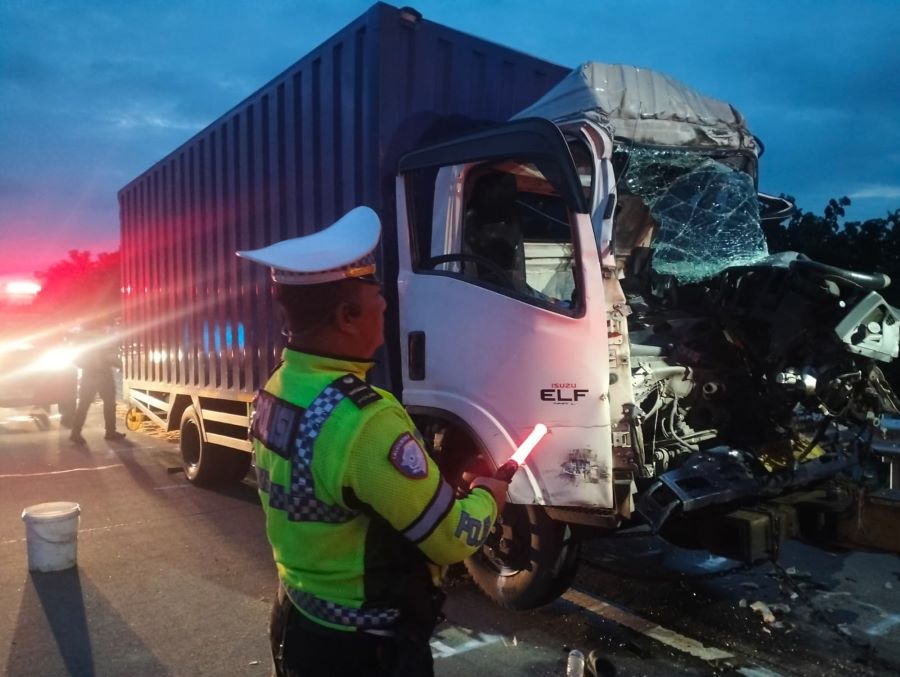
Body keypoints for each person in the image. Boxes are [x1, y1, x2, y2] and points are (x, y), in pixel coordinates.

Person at [237, 206, 510, 677]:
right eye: (377, 294)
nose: (385, 305)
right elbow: (450, 539)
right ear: (347, 316)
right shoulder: (365, 421)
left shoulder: (279, 386)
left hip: (298, 620)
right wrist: (489, 495)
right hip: (365, 652)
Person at [69, 324, 125, 445]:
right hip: (104, 374)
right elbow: (111, 356)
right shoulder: (103, 336)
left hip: (88, 375)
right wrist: (120, 365)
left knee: (83, 405)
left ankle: (75, 433)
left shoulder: (80, 338)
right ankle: (110, 432)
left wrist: (87, 365)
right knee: (109, 403)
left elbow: (74, 359)